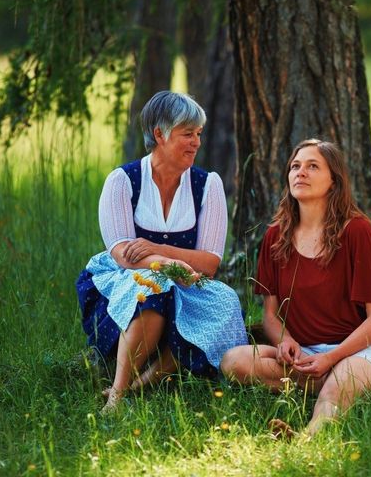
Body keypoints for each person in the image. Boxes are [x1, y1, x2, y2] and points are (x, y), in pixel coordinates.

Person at [76, 91, 247, 414]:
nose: (196, 142)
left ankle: (148, 380)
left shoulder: (207, 185)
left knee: (223, 299)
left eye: (198, 134)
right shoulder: (123, 181)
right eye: (187, 134)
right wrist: (169, 265)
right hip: (127, 279)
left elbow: (210, 263)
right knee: (153, 287)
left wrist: (158, 250)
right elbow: (123, 255)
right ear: (159, 134)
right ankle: (118, 392)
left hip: (186, 281)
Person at [220, 139, 371, 437]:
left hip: (363, 350)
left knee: (343, 378)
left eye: (312, 166)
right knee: (233, 361)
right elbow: (270, 317)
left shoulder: (357, 231)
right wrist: (286, 341)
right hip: (306, 355)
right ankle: (330, 382)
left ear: (334, 182)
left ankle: (308, 436)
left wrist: (332, 357)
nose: (300, 172)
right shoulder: (275, 237)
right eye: (295, 166)